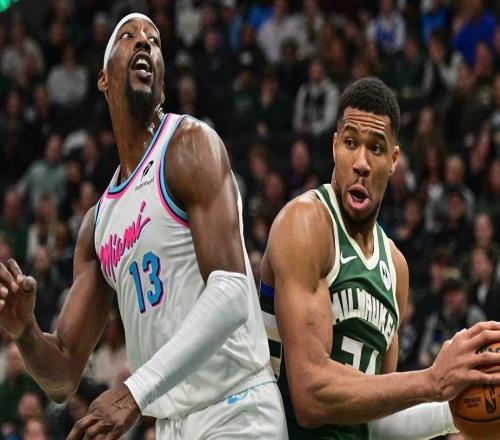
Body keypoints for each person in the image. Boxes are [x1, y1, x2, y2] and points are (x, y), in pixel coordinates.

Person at [0, 13, 286, 439]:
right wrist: (25, 333)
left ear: (162, 84)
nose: (143, 43)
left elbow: (231, 292)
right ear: (103, 79)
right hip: (170, 423)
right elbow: (63, 374)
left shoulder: (189, 145)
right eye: (128, 36)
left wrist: (133, 391)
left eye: (154, 40)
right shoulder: (98, 224)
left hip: (236, 407)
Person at [260, 77, 500, 439]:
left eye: (376, 147)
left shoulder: (396, 267)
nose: (361, 163)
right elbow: (310, 395)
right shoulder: (306, 224)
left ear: (394, 160)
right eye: (350, 143)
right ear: (334, 146)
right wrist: (431, 380)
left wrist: (456, 407)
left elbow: (378, 418)